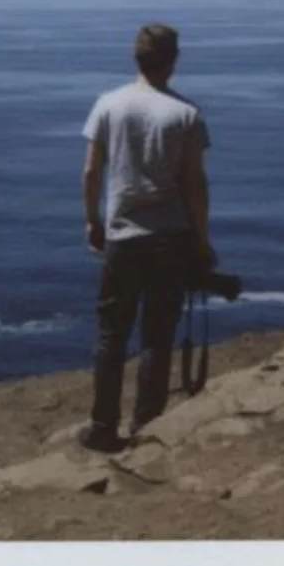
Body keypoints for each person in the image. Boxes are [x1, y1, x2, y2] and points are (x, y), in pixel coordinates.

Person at [78, 23, 214, 452]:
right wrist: (202, 240)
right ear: (173, 60)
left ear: (135, 58)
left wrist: (92, 221)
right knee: (157, 335)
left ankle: (103, 426)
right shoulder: (186, 114)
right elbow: (195, 184)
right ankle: (147, 423)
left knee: (111, 335)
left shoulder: (108, 105)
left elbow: (91, 171)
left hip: (122, 236)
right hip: (171, 237)